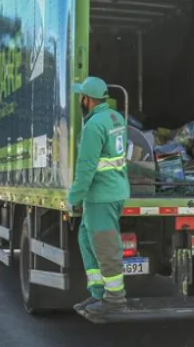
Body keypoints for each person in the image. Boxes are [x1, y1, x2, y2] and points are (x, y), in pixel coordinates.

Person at [67, 76, 130, 313]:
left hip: (101, 195)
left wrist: (74, 198)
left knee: (105, 245)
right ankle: (97, 293)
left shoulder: (94, 126)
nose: (80, 101)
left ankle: (114, 298)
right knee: (86, 239)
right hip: (113, 190)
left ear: (88, 100)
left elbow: (86, 168)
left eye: (81, 97)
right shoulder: (116, 117)